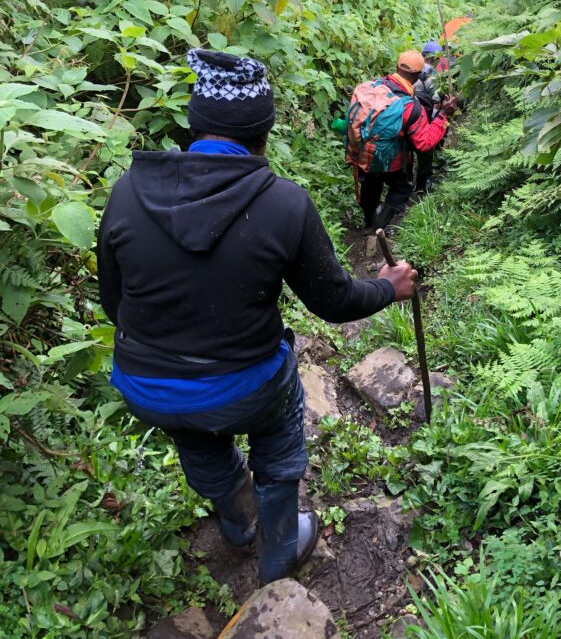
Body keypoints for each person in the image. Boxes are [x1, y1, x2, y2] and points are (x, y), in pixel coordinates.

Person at [97, 48, 418, 585]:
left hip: (146, 384)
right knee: (277, 424)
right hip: (247, 384)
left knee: (194, 432)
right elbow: (333, 302)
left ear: (194, 123)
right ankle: (279, 553)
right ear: (263, 131)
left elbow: (114, 302)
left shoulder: (127, 192)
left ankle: (238, 523)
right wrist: (388, 285)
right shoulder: (282, 203)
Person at [348, 50, 457, 230]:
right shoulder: (410, 107)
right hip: (391, 161)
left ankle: (368, 223)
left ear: (397, 67)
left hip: (363, 154)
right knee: (401, 190)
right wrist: (443, 115)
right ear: (418, 75)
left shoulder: (371, 87)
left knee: (371, 187)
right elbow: (425, 143)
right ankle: (378, 227)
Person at [413, 42, 444, 193]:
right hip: (426, 117)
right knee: (425, 152)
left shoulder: (413, 71)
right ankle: (421, 185)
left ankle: (408, 182)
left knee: (408, 150)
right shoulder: (437, 76)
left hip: (411, 116)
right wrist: (433, 119)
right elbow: (437, 101)